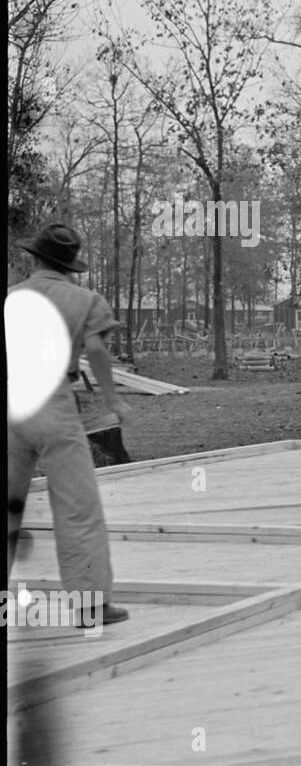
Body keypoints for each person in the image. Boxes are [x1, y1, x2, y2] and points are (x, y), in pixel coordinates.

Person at [7, 223, 133, 630]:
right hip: (54, 405)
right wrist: (113, 400)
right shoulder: (86, 300)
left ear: (35, 257)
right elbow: (95, 349)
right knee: (78, 509)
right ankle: (90, 606)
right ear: (70, 265)